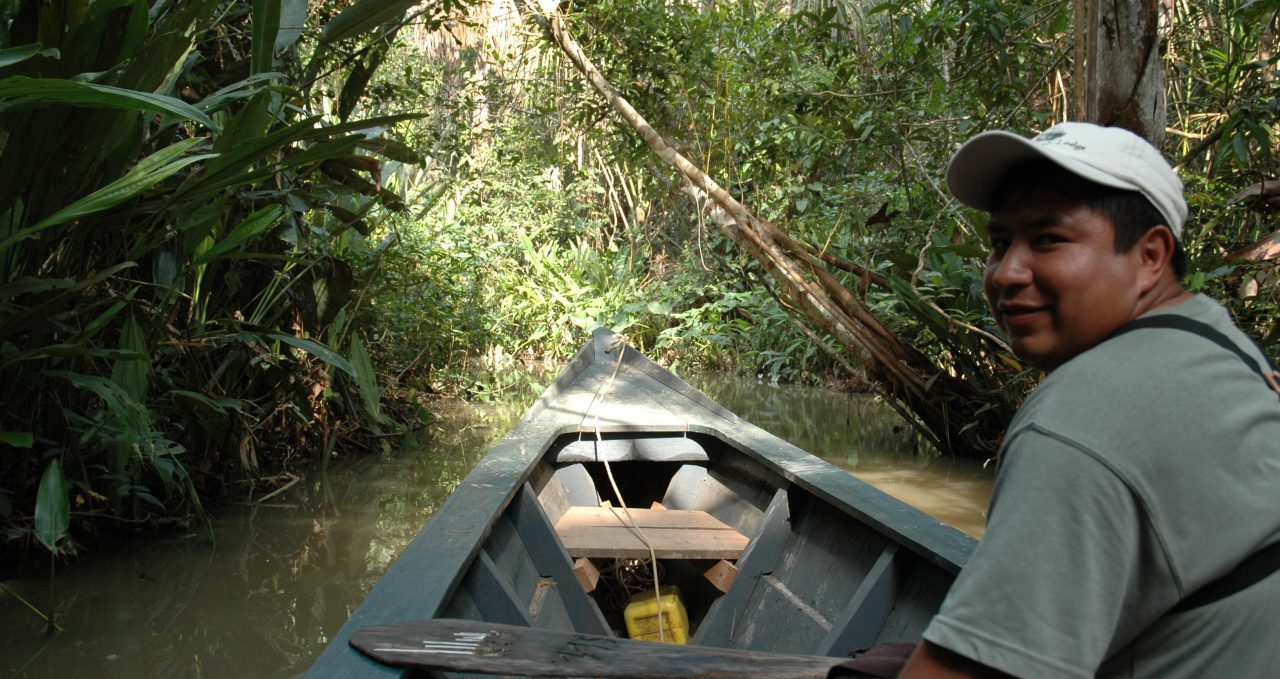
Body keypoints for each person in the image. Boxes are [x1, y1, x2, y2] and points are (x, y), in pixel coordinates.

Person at [893, 122, 1280, 678]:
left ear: (1150, 256)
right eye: (1000, 243)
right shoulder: (1221, 344)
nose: (1006, 273)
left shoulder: (1083, 419)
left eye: (1048, 240)